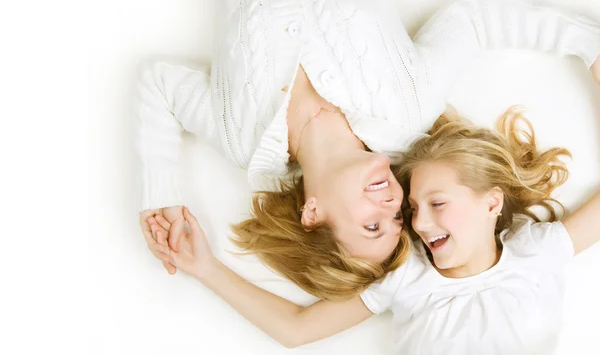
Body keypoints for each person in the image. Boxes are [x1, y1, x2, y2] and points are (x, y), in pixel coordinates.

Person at [136, 0, 600, 299]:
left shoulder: (238, 139)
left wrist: (162, 194)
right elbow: (475, 20)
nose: (391, 202)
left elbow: (158, 85)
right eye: (400, 214)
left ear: (312, 213)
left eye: (372, 224)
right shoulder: (407, 109)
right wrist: (589, 47)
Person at [148, 106, 600, 354]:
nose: (420, 224)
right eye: (414, 208)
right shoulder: (406, 275)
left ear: (492, 203)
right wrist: (206, 268)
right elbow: (297, 330)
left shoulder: (537, 251)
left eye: (438, 204)